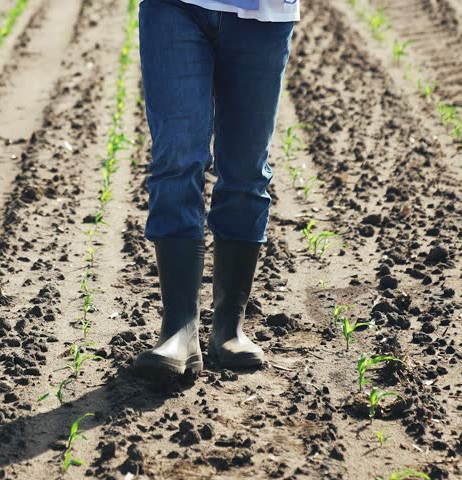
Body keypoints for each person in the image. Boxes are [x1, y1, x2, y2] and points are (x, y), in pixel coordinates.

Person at [133, 0, 300, 376]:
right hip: (174, 8)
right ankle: (179, 329)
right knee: (176, 158)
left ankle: (228, 328)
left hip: (263, 14)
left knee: (246, 171)